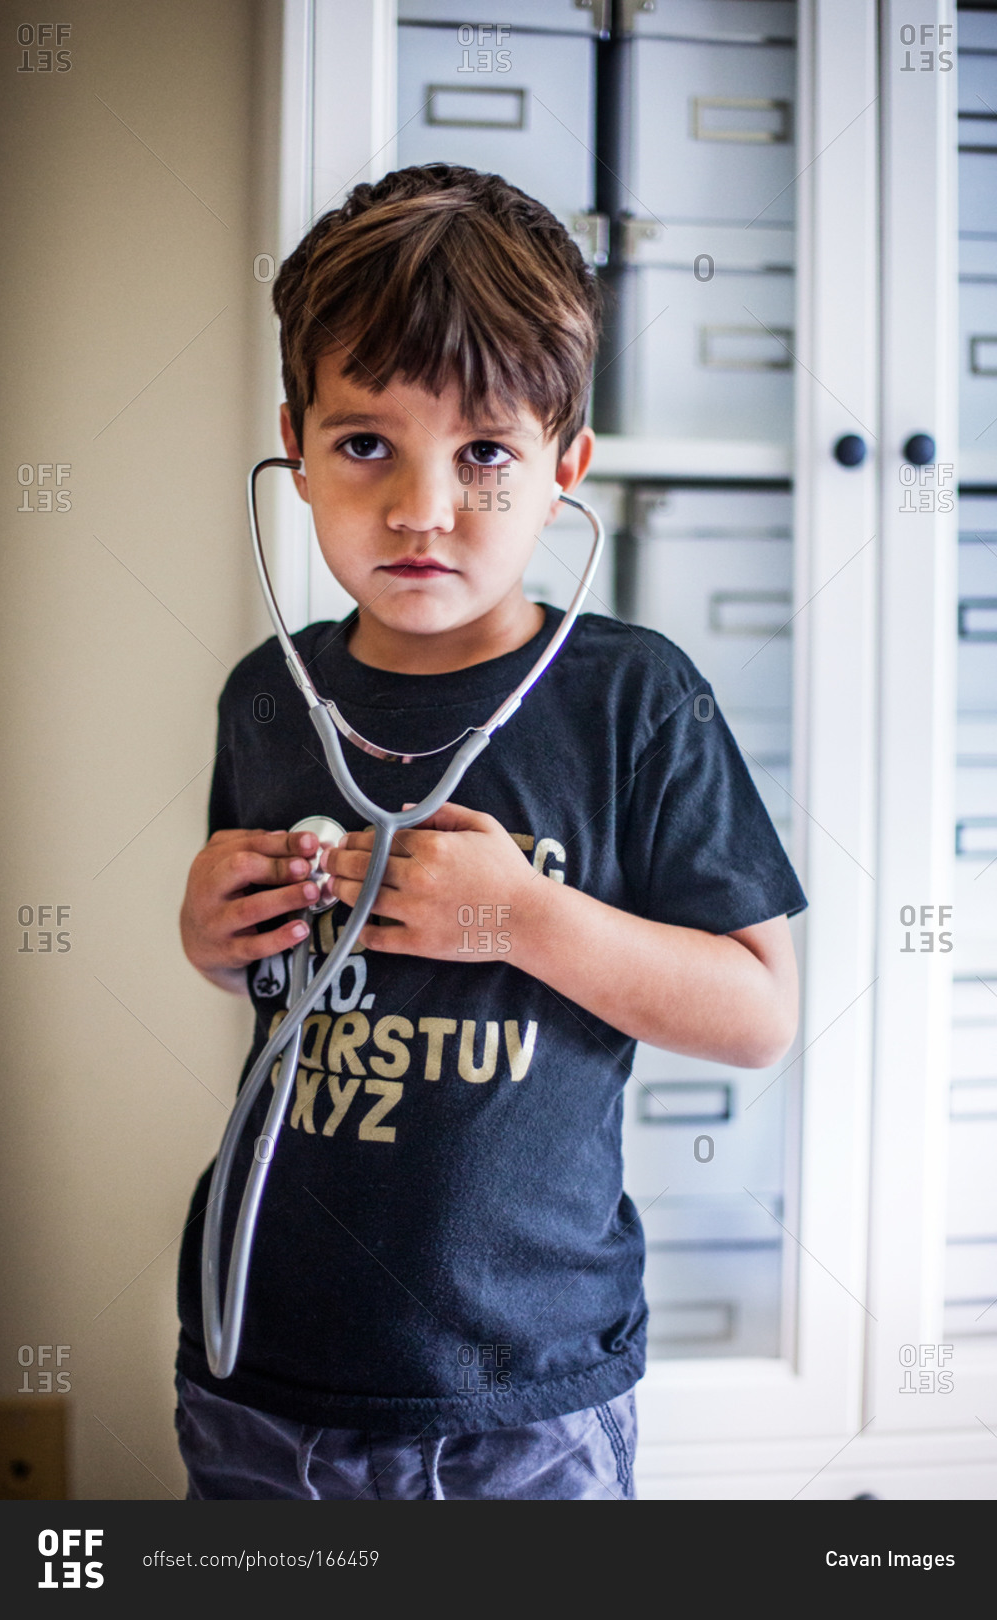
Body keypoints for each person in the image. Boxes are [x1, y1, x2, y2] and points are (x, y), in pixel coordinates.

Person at [173, 163, 807, 1501]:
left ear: (565, 465)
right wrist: (215, 938)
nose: (420, 507)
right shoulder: (265, 698)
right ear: (294, 447)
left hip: (521, 1386)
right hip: (260, 1360)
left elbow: (754, 1013)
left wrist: (522, 917)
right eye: (364, 445)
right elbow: (270, 987)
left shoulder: (635, 702)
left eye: (484, 453)